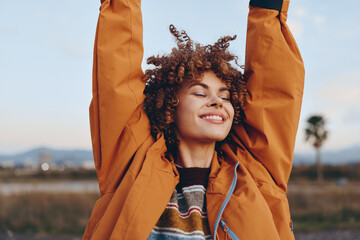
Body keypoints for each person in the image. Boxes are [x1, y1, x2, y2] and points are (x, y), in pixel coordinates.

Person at [83, 0, 304, 239]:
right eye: (200, 93)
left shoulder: (254, 172)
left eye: (225, 96)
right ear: (169, 104)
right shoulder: (132, 165)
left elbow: (271, 91)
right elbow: (116, 82)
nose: (217, 101)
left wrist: (267, 7)